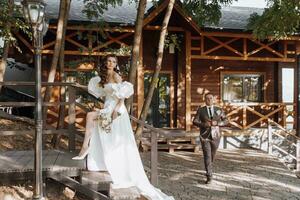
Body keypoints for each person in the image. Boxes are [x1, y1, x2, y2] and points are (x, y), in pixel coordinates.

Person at [72, 55, 174, 200]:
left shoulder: (116, 75)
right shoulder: (104, 77)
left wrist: (116, 109)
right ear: (105, 63)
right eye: (108, 61)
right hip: (108, 105)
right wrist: (80, 87)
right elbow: (101, 93)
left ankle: (85, 147)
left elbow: (122, 95)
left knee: (90, 117)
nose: (110, 64)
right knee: (105, 134)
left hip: (116, 108)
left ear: (116, 64)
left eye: (113, 62)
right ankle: (100, 159)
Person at [193, 93, 228, 184]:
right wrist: (203, 124)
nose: (209, 100)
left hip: (216, 136)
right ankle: (209, 175)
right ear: (205, 100)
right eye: (207, 98)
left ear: (214, 99)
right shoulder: (201, 110)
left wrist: (218, 123)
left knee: (212, 154)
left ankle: (209, 166)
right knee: (207, 155)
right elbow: (195, 121)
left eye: (211, 98)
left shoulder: (219, 110)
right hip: (205, 136)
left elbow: (226, 120)